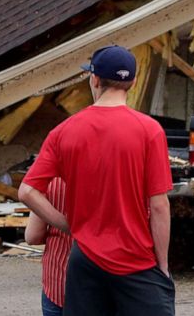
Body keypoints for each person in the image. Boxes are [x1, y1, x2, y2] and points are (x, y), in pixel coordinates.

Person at [18, 45, 175, 316]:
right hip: (136, 260)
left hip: (86, 261)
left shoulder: (63, 132)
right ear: (133, 82)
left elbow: (28, 191)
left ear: (94, 79)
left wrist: (69, 226)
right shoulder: (150, 131)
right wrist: (162, 265)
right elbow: (159, 205)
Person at [25, 177, 73, 316]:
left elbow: (32, 236)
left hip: (59, 282)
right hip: (105, 283)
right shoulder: (116, 174)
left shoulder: (51, 181)